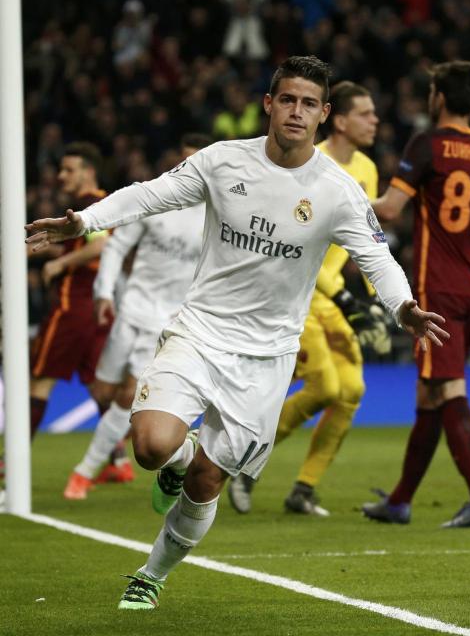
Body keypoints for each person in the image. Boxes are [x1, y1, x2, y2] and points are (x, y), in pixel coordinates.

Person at [26, 55, 448, 610]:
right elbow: (149, 194)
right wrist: (84, 221)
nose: (297, 112)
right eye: (288, 99)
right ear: (269, 104)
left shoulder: (337, 190)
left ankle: (151, 574)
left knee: (207, 482)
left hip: (266, 359)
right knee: (153, 447)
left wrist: (403, 307)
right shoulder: (223, 161)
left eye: (309, 104)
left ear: (324, 115)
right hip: (200, 332)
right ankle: (178, 458)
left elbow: (376, 258)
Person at [362, 61, 470, 528]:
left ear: (439, 96)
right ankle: (399, 501)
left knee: (447, 389)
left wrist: (345, 200)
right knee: (430, 393)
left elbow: (391, 209)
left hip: (439, 292)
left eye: (431, 89)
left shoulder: (428, 145)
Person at [227, 80, 388, 516]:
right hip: (300, 299)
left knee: (351, 390)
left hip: (335, 300)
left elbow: (366, 240)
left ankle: (304, 488)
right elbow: (292, 246)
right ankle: (240, 464)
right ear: (338, 119)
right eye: (366, 113)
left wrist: (375, 298)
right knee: (324, 387)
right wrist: (350, 300)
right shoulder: (306, 168)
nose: (374, 120)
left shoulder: (367, 170)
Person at [63, 134, 212, 500]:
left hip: (167, 320)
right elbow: (116, 247)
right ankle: (131, 457)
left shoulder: (215, 214)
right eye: (185, 161)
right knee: (104, 391)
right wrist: (103, 293)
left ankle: (82, 473)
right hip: (129, 309)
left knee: (128, 394)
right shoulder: (161, 200)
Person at [29, 143, 112, 440]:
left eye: (69, 170)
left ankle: (7, 463)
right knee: (96, 386)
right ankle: (116, 461)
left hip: (71, 305)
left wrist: (60, 264)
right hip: (98, 308)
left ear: (88, 172)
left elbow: (100, 244)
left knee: (39, 380)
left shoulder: (91, 206)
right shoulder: (106, 203)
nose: (62, 176)